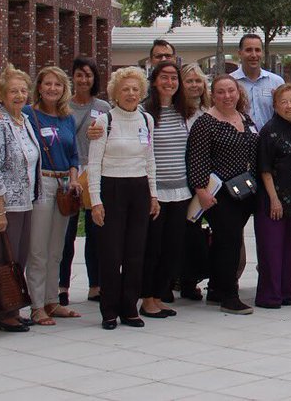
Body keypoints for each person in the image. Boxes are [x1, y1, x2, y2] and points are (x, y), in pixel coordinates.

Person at [90, 67, 159, 329]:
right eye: (125, 89)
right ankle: (109, 310)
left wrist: (153, 194)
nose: (131, 94)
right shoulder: (104, 122)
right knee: (111, 253)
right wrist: (96, 201)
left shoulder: (147, 120)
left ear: (141, 92)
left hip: (139, 188)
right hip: (111, 188)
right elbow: (94, 163)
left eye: (135, 89)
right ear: (115, 94)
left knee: (135, 253)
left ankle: (130, 307)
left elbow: (149, 159)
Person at [186, 75, 259, 314]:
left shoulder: (245, 118)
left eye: (231, 91)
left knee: (225, 242)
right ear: (213, 95)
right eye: (221, 92)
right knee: (229, 243)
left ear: (238, 93)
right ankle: (230, 296)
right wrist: (201, 191)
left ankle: (217, 288)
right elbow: (196, 159)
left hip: (244, 192)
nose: (227, 96)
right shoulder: (205, 123)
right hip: (219, 194)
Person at [0, 65, 38, 333]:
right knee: (3, 258)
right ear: (1, 94)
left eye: (23, 90)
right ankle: (2, 313)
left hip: (24, 202)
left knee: (18, 257)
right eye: (13, 91)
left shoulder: (24, 121)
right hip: (4, 205)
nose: (19, 95)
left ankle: (12, 307)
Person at [23, 67, 81, 325]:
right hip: (40, 185)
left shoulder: (67, 118)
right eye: (47, 84)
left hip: (64, 187)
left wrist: (74, 178)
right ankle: (36, 305)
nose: (52, 89)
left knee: (56, 248)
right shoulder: (28, 115)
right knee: (38, 250)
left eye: (57, 85)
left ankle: (51, 300)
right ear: (39, 87)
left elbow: (74, 155)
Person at [140, 60, 196, 318]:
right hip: (155, 193)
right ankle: (147, 298)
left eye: (174, 78)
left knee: (173, 247)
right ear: (154, 81)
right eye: (165, 77)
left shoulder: (184, 111)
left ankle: (160, 294)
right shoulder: (144, 113)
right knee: (153, 247)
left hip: (181, 191)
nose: (170, 82)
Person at [60, 56, 110, 307]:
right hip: (69, 172)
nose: (83, 79)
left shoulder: (103, 107)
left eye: (88, 75)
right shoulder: (63, 106)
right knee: (66, 234)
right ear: (73, 77)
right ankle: (61, 286)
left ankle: (95, 285)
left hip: (94, 171)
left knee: (95, 232)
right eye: (79, 74)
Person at [254, 83, 291, 308]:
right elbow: (265, 168)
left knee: (288, 249)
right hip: (272, 200)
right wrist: (274, 199)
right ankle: (269, 295)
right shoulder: (269, 131)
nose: (288, 106)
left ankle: (286, 292)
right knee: (271, 250)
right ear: (275, 105)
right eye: (283, 102)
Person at [178, 63, 211, 301]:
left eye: (198, 81)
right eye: (189, 81)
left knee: (195, 233)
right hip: (178, 179)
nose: (194, 85)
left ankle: (191, 280)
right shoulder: (174, 111)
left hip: (203, 181)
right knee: (176, 232)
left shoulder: (208, 112)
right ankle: (172, 278)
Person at [231, 33, 285, 131]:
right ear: (239, 53)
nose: (254, 55)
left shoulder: (277, 82)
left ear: (262, 53)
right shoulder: (230, 82)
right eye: (248, 50)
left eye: (257, 50)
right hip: (241, 143)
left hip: (270, 142)